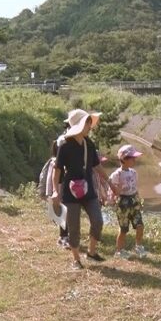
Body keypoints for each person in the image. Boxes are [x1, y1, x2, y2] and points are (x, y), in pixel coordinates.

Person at [50, 109, 117, 270]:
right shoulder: (65, 146)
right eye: (88, 122)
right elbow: (57, 170)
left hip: (88, 190)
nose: (90, 126)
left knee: (98, 221)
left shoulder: (89, 143)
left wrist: (110, 183)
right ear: (81, 125)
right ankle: (76, 259)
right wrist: (55, 191)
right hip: (70, 192)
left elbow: (97, 166)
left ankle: (92, 252)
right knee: (73, 227)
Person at [110, 144, 147, 259]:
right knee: (123, 228)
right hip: (123, 203)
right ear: (124, 159)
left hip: (134, 200)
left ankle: (138, 246)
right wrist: (115, 192)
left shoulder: (133, 172)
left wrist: (139, 201)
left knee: (140, 225)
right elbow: (111, 188)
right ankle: (119, 251)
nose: (135, 160)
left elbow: (135, 188)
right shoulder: (117, 174)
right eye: (132, 157)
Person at [41, 138, 69, 248]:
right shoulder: (55, 162)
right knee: (64, 213)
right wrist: (52, 192)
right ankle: (63, 237)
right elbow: (50, 179)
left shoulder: (66, 161)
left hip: (66, 189)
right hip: (59, 190)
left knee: (67, 213)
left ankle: (66, 236)